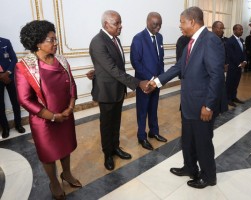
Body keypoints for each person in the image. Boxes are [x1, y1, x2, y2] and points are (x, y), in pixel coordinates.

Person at [148, 6, 225, 189]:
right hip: (189, 103)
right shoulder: (190, 42)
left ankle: (208, 176)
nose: (180, 26)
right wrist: (157, 82)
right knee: (188, 139)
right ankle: (190, 168)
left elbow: (217, 76)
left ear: (192, 21)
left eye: (182, 22)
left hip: (202, 105)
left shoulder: (210, 41)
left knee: (202, 142)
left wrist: (208, 105)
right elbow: (178, 67)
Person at [15, 20, 82, 200]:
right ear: (38, 42)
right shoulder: (24, 66)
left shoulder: (61, 59)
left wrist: (70, 107)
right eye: (51, 40)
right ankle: (54, 182)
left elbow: (72, 85)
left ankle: (66, 174)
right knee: (48, 154)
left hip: (65, 114)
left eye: (55, 39)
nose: (55, 43)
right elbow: (24, 99)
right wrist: (52, 116)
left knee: (65, 147)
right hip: (43, 120)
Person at [89, 10, 149, 170]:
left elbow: (112, 65)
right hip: (106, 92)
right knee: (107, 124)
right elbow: (113, 69)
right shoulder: (98, 42)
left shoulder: (115, 39)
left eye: (120, 22)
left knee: (116, 122)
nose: (120, 26)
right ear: (106, 24)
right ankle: (107, 153)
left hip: (117, 89)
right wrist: (138, 83)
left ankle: (115, 147)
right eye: (117, 23)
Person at [130, 12, 167, 151]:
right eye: (155, 24)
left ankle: (154, 132)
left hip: (156, 82)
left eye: (160, 25)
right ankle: (142, 136)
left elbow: (160, 60)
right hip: (145, 82)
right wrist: (150, 79)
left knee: (153, 108)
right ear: (147, 22)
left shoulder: (160, 37)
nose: (158, 28)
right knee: (142, 111)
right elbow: (136, 62)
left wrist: (160, 79)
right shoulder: (138, 38)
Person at [0, 37, 25, 138]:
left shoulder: (6, 41)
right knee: (0, 105)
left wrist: (8, 73)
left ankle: (18, 124)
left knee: (15, 101)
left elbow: (14, 58)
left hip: (9, 76)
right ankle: (5, 128)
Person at [225, 24, 247, 107]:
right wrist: (239, 63)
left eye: (242, 29)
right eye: (239, 29)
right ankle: (228, 99)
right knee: (230, 83)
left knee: (236, 82)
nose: (241, 31)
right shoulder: (230, 41)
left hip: (239, 66)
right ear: (234, 30)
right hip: (232, 66)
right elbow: (231, 55)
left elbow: (244, 52)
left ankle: (234, 97)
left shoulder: (242, 40)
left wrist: (244, 61)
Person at [211, 21, 228, 113]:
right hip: (213, 72)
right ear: (213, 28)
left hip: (220, 71)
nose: (222, 30)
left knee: (221, 91)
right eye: (220, 28)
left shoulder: (222, 40)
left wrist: (225, 64)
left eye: (223, 28)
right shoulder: (209, 39)